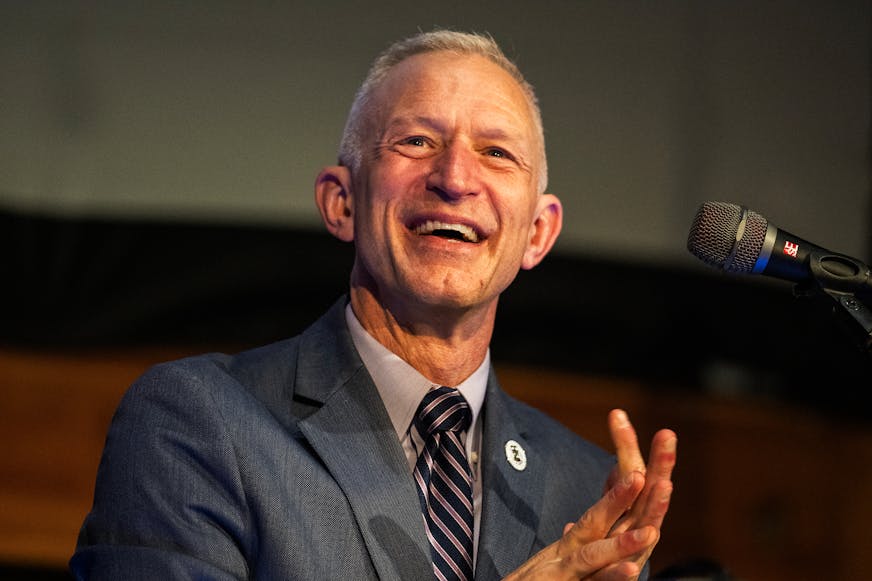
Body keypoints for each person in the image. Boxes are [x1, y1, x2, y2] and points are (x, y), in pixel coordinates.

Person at [70, 30, 677, 580]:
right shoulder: (200, 422)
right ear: (342, 203)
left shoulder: (586, 492)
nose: (456, 177)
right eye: (417, 140)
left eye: (496, 153)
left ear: (538, 233)